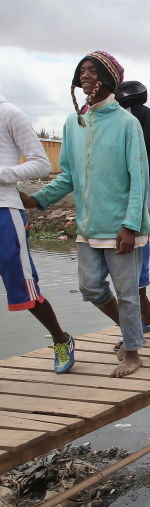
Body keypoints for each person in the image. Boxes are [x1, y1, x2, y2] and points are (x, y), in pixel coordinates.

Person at [24, 51, 150, 376]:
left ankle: (133, 353)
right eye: (81, 71)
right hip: (88, 227)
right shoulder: (74, 122)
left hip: (122, 227)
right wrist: (37, 200)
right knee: (91, 287)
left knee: (126, 292)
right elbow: (67, 175)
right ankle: (130, 333)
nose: (85, 76)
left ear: (108, 79)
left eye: (92, 71)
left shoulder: (128, 123)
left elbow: (139, 179)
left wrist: (130, 225)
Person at [1, 91, 76, 372]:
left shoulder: (10, 113)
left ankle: (60, 338)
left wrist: (2, 174)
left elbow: (42, 163)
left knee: (24, 285)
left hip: (4, 211)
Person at [115, 81, 150, 332]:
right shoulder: (96, 115)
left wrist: (132, 172)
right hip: (109, 200)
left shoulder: (140, 114)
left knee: (137, 251)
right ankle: (140, 314)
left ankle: (139, 314)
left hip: (137, 199)